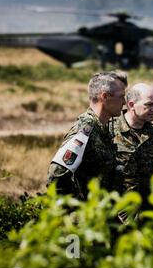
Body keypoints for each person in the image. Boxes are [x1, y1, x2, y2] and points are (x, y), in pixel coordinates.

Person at [47, 71, 128, 199]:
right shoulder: (86, 130)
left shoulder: (104, 128)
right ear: (105, 96)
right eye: (121, 96)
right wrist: (78, 209)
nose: (124, 102)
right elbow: (56, 175)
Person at [111, 83, 153, 210]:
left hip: (149, 212)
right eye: (148, 105)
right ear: (131, 105)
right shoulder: (111, 130)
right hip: (119, 214)